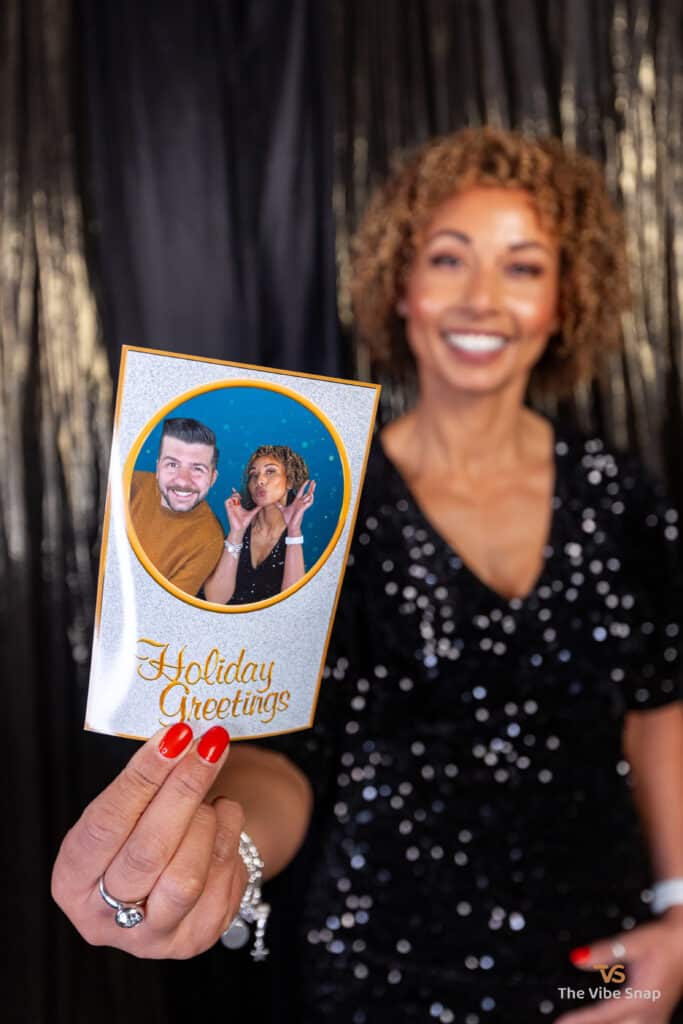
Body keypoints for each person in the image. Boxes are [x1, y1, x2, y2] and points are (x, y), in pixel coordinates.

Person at [53, 128, 683, 1023]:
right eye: (448, 258)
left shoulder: (621, 496)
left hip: (600, 963)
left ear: (562, 300)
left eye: (522, 266)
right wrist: (223, 853)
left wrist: (678, 919)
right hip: (386, 968)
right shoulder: (331, 509)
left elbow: (659, 707)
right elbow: (285, 761)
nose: (480, 298)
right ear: (401, 288)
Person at [203, 445, 316, 606]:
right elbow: (215, 598)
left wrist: (293, 531)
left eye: (270, 471)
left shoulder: (300, 536)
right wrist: (236, 533)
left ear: (289, 480)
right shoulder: (241, 526)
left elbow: (293, 605)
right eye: (253, 475)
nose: (259, 481)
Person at [129, 417, 224, 597]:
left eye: (197, 469)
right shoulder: (128, 485)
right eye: (172, 465)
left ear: (212, 478)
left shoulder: (209, 539)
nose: (182, 480)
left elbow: (162, 607)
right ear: (158, 469)